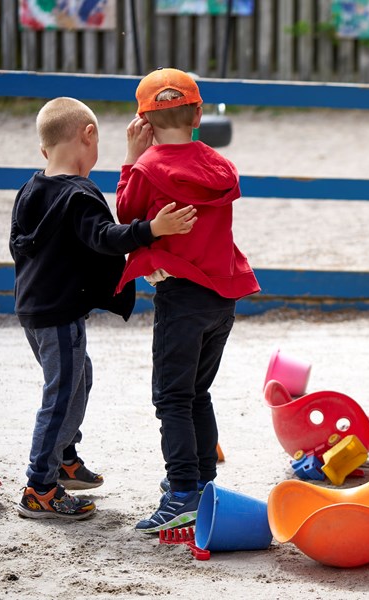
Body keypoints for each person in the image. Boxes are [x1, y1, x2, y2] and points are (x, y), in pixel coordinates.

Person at [11, 97, 197, 520]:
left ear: (45, 150)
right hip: (59, 315)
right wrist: (153, 229)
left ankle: (64, 458)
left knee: (78, 377)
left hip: (32, 309)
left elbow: (18, 244)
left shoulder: (31, 187)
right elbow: (105, 237)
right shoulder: (79, 196)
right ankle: (40, 487)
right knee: (60, 395)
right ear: (88, 136)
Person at [115, 68, 260, 533]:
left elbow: (126, 213)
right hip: (222, 298)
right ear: (198, 113)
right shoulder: (219, 166)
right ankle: (202, 482)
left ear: (144, 121)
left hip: (180, 297)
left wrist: (131, 159)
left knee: (172, 398)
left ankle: (182, 493)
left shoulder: (147, 168)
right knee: (197, 393)